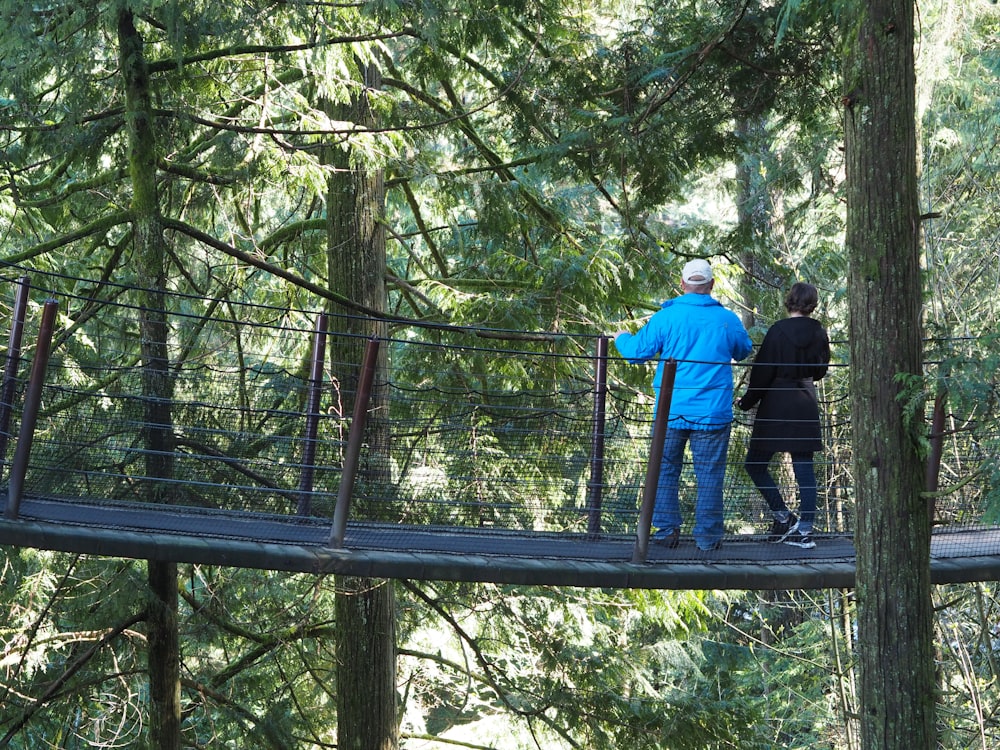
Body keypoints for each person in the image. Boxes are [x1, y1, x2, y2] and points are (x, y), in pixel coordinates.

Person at [614, 258, 753, 551]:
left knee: (664, 469)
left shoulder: (666, 318)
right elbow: (743, 350)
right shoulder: (727, 319)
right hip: (713, 412)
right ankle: (708, 538)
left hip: (671, 410)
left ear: (682, 284)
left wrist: (621, 338)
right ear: (712, 285)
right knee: (710, 474)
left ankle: (666, 531)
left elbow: (636, 353)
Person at [737, 282, 831, 549]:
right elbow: (821, 370)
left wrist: (746, 402)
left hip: (775, 405)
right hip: (805, 402)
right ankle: (804, 530)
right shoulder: (819, 332)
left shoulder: (777, 331)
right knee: (805, 470)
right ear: (812, 304)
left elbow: (762, 373)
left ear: (789, 301)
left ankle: (782, 515)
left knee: (755, 464)